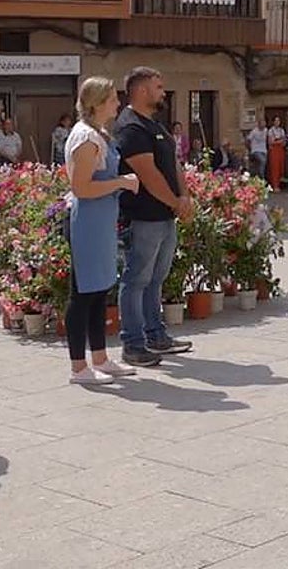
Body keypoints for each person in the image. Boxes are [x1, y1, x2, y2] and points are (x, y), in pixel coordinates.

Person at [114, 67, 194, 367]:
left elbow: (172, 164)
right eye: (159, 87)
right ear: (143, 90)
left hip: (165, 215)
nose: (163, 92)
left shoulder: (155, 125)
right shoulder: (131, 127)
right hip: (145, 215)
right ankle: (133, 344)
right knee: (136, 279)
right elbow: (147, 174)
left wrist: (184, 198)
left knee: (156, 278)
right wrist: (175, 202)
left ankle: (156, 335)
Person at [63, 77, 141, 385]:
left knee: (98, 291)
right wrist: (121, 182)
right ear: (96, 103)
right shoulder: (85, 138)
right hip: (87, 222)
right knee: (82, 292)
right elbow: (81, 187)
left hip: (101, 219)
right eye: (112, 99)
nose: (117, 104)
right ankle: (78, 367)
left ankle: (100, 358)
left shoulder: (98, 134)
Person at [267, 115, 286, 190]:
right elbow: (270, 142)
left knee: (281, 167)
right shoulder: (271, 130)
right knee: (274, 168)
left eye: (278, 121)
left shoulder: (282, 130)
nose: (277, 122)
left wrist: (277, 141)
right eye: (276, 121)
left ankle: (280, 184)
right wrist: (279, 141)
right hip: (274, 151)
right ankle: (275, 185)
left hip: (280, 150)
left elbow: (284, 142)